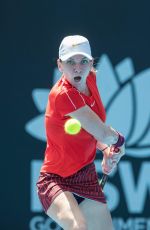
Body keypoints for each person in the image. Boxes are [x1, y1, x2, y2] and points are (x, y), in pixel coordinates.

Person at [36, 35, 125, 230]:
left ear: (92, 62)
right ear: (60, 65)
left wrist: (105, 150)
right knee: (78, 228)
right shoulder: (63, 95)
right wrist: (119, 142)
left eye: (83, 61)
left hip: (85, 175)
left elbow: (93, 132)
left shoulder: (90, 79)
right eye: (70, 62)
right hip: (54, 179)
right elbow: (102, 133)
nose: (77, 68)